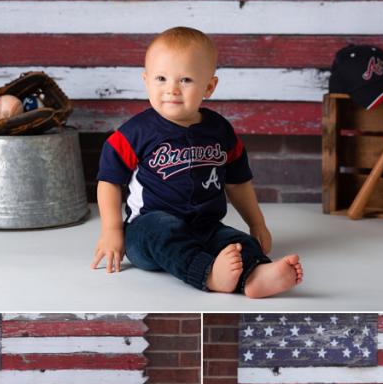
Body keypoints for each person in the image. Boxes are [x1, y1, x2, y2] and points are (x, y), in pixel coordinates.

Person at [91, 26, 303, 297]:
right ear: (146, 81)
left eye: (186, 80)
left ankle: (255, 276)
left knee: (236, 243)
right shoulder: (135, 132)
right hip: (147, 231)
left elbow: (238, 182)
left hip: (204, 227)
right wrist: (111, 230)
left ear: (209, 87)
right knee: (164, 229)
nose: (172, 89)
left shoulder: (219, 130)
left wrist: (257, 224)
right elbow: (109, 180)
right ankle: (207, 275)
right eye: (161, 78)